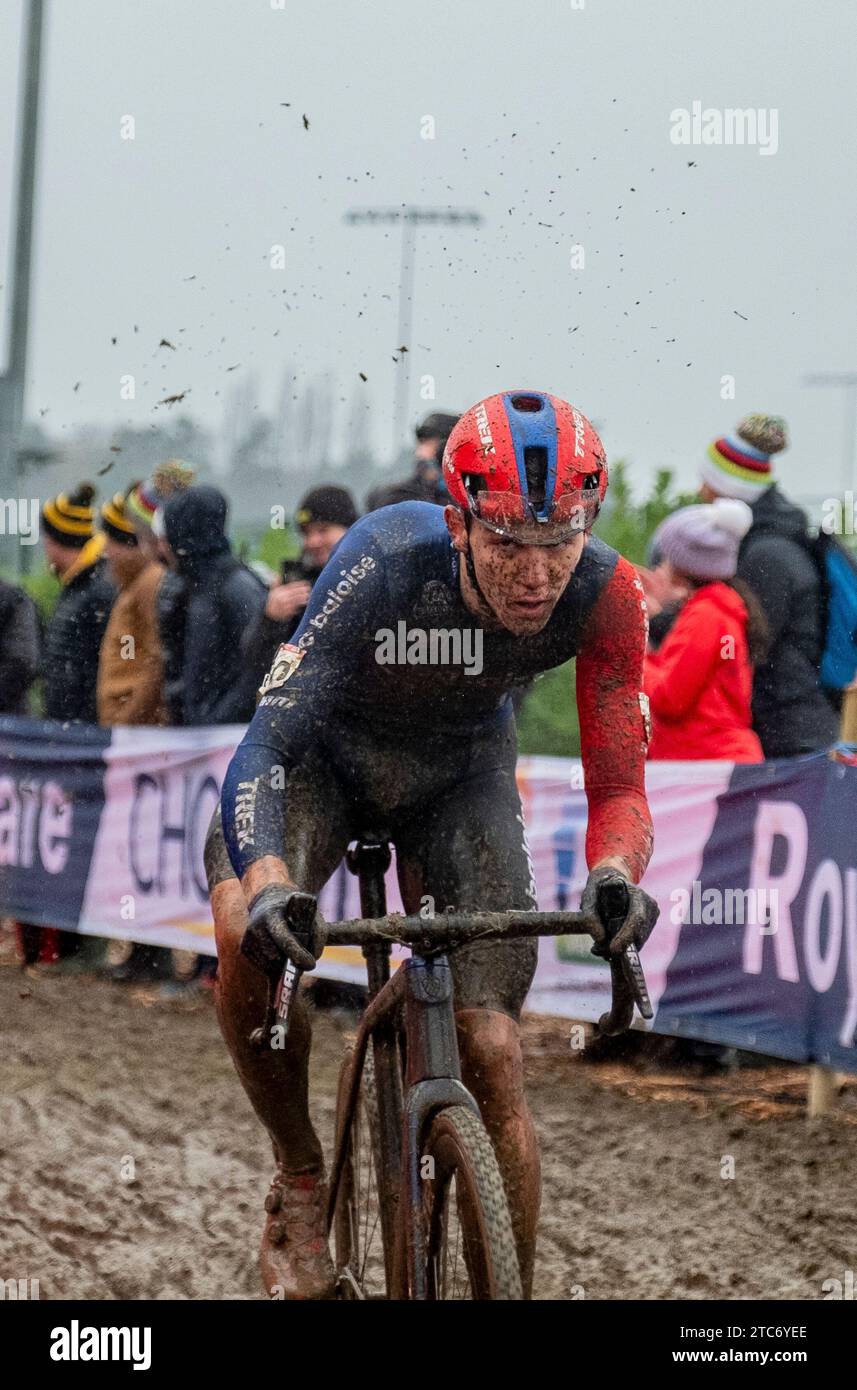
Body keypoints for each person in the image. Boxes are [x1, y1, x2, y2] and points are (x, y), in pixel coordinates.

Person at [208, 389, 658, 1300]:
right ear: (458, 524)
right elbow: (268, 742)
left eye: (558, 542)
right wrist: (264, 883)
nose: (536, 575)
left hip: (459, 777)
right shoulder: (383, 557)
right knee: (238, 931)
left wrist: (614, 874)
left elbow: (619, 789)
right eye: (506, 545)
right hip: (324, 762)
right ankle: (300, 1180)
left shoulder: (608, 594)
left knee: (492, 1050)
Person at [700, 414, 838, 757]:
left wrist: (664, 620)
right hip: (793, 731)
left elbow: (746, 642)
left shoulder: (767, 556)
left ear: (727, 491)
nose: (700, 492)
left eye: (706, 482)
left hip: (790, 739)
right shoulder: (773, 542)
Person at [643, 499, 767, 761]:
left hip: (707, 768)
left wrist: (636, 656)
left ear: (682, 566)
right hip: (718, 763)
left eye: (665, 558)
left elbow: (670, 699)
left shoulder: (705, 616)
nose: (659, 568)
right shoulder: (721, 609)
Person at [160, 484, 267, 726]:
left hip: (228, 736)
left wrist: (220, 718)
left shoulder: (237, 587)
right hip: (200, 736)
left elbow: (259, 665)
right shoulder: (192, 586)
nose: (163, 546)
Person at [244, 485, 358, 685]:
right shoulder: (298, 583)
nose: (313, 541)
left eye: (323, 530)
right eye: (306, 533)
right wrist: (270, 618)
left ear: (350, 529)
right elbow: (256, 664)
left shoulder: (371, 578)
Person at [41, 484, 115, 725]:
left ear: (54, 540)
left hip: (87, 734)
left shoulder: (99, 589)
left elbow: (122, 656)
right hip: (69, 732)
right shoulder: (77, 584)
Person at [365, 410, 460, 510]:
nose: (420, 453)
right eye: (421, 444)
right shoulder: (402, 497)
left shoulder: (469, 501)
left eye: (430, 445)